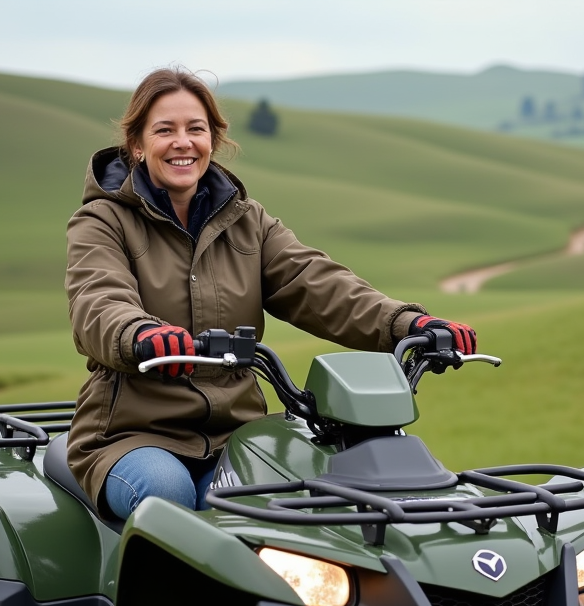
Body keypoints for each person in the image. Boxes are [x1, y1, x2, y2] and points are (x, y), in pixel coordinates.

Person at [65, 68, 477, 520]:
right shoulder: (102, 221)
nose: (182, 142)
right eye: (165, 130)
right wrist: (141, 334)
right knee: (170, 495)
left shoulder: (247, 220)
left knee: (307, 491)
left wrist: (408, 324)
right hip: (132, 435)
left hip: (238, 431)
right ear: (138, 145)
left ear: (213, 141)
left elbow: (317, 283)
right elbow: (98, 300)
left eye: (195, 129)